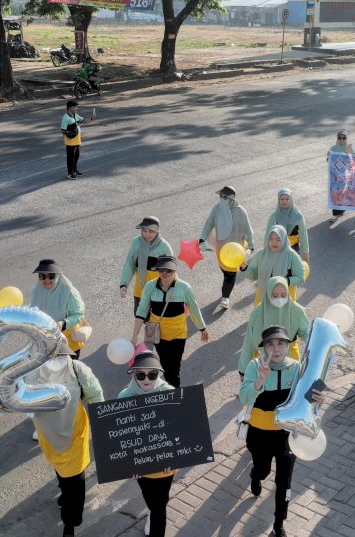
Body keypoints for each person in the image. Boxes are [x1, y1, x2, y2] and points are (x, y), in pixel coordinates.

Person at [0, 340, 104, 537]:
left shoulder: (76, 369)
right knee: (63, 470)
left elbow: (96, 396)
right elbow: (16, 402)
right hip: (49, 431)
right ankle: (64, 492)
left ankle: (70, 522)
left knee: (76, 478)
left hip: (74, 431)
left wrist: (102, 423)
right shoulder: (33, 373)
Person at [240, 326, 325, 537]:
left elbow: (308, 403)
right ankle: (255, 475)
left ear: (288, 346)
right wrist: (260, 379)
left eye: (280, 343)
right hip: (259, 433)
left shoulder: (298, 368)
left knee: (284, 480)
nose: (275, 348)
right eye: (270, 343)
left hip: (287, 436)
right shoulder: (254, 365)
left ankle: (279, 522)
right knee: (263, 470)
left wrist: (318, 401)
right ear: (264, 347)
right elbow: (245, 398)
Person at [119, 351, 175, 537]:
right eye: (140, 374)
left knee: (160, 505)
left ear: (159, 374)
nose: (146, 379)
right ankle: (152, 511)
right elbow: (121, 436)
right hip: (141, 466)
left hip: (166, 463)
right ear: (134, 374)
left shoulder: (169, 393)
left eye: (152, 374)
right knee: (152, 500)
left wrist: (175, 458)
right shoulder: (125, 397)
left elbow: (180, 430)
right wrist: (128, 465)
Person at [132, 255, 209, 388]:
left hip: (177, 335)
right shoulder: (150, 286)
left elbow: (194, 310)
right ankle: (170, 391)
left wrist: (202, 328)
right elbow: (142, 311)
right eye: (161, 270)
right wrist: (134, 336)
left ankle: (174, 394)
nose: (164, 274)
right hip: (157, 335)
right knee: (165, 366)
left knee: (174, 369)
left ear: (175, 271)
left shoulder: (184, 288)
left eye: (169, 271)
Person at [238, 276, 309, 376]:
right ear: (268, 294)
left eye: (283, 295)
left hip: (290, 362)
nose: (279, 299)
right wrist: (244, 370)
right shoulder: (257, 313)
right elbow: (249, 342)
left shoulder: (297, 311)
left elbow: (306, 333)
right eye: (275, 296)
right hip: (265, 364)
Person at [199, 186, 254, 309]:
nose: (222, 199)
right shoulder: (217, 209)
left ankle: (225, 297)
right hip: (221, 249)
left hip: (236, 250)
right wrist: (201, 239)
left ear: (232, 199)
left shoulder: (240, 212)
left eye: (225, 197)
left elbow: (248, 230)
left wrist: (251, 245)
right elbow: (209, 223)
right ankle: (228, 287)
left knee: (230, 274)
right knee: (225, 272)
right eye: (221, 196)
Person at [30, 259, 86, 359]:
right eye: (42, 276)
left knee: (69, 372)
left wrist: (63, 323)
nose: (46, 280)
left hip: (67, 343)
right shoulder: (37, 290)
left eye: (51, 276)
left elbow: (78, 315)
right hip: (46, 342)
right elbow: (33, 309)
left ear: (58, 276)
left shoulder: (68, 292)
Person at [120, 217, 173, 314]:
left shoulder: (164, 247)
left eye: (151, 231)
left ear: (157, 231)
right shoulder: (136, 242)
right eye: (144, 230)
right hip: (140, 291)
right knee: (140, 318)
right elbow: (130, 264)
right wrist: (124, 284)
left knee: (154, 323)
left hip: (158, 292)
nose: (147, 234)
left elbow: (171, 271)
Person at [241, 225, 305, 306]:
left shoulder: (292, 256)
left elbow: (301, 278)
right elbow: (253, 275)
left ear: (284, 239)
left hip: (284, 300)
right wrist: (244, 268)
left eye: (278, 239)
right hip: (263, 297)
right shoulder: (261, 254)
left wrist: (286, 281)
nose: (274, 242)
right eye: (271, 239)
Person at [266, 188, 309, 263]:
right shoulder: (274, 216)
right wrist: (266, 253)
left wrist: (305, 253)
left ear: (291, 200)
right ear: (279, 200)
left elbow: (303, 236)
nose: (284, 202)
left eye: (287, 199)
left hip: (294, 251)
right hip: (277, 251)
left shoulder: (298, 216)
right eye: (282, 199)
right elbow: (267, 236)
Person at [60, 100, 95, 180]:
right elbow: (62, 130)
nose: (76, 108)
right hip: (70, 141)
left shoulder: (75, 115)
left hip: (77, 140)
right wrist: (69, 134)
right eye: (75, 107)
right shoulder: (65, 117)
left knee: (77, 155)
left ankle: (74, 170)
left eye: (76, 107)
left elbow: (84, 121)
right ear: (70, 108)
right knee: (70, 157)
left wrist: (91, 118)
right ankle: (70, 173)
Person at [328, 130, 353, 223]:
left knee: (342, 194)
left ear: (346, 138)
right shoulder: (333, 148)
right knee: (334, 193)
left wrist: (348, 152)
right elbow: (328, 161)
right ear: (337, 138)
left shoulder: (349, 148)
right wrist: (328, 156)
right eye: (340, 137)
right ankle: (335, 215)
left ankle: (341, 210)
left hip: (345, 176)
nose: (342, 139)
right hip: (334, 176)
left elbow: (352, 162)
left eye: (344, 137)